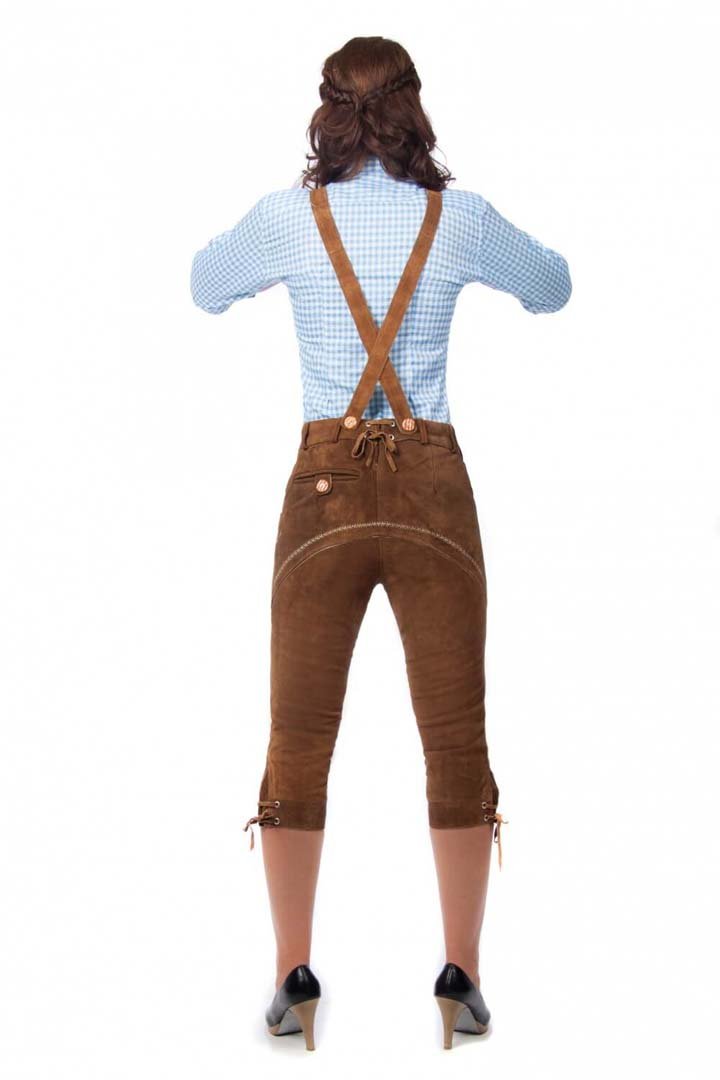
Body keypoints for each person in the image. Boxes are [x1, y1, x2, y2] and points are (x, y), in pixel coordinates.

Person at [190, 35, 571, 1052]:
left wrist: (287, 245)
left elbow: (203, 285)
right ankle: (461, 976)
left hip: (320, 498)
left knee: (298, 732)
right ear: (411, 107)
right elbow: (554, 286)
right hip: (433, 493)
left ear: (328, 111)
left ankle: (293, 975)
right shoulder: (458, 217)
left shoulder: (289, 217)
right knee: (454, 734)